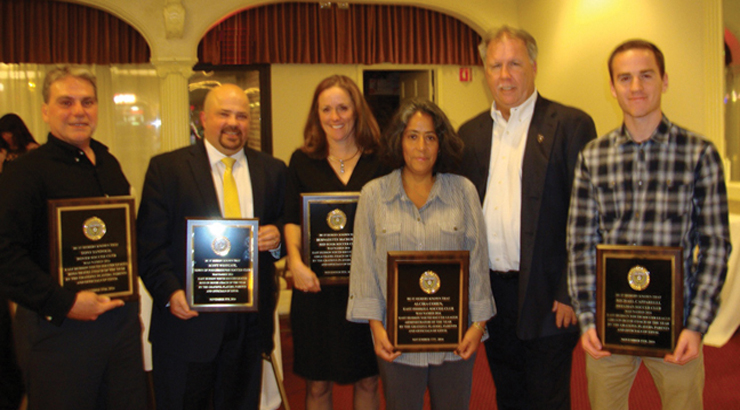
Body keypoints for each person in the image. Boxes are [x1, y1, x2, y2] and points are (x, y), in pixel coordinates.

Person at [567, 39, 731, 410]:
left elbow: (717, 244)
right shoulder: (593, 157)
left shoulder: (699, 154)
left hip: (677, 326)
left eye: (646, 76)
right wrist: (587, 318)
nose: (636, 87)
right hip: (610, 324)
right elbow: (580, 243)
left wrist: (697, 324)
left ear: (664, 81)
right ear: (612, 87)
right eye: (625, 78)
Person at [456, 26, 597, 410]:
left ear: (533, 66)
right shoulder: (469, 134)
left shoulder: (570, 125)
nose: (505, 75)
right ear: (484, 72)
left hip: (548, 296)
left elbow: (586, 214)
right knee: (508, 394)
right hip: (493, 297)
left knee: (547, 398)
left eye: (514, 63)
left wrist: (569, 291)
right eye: (495, 65)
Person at [0, 66, 147, 410]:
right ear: (45, 110)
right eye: (66, 102)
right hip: (59, 332)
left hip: (119, 328)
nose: (79, 111)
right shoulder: (25, 172)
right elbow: (5, 255)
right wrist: (65, 302)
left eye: (87, 102)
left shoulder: (108, 162)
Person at [137, 83, 286, 410]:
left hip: (247, 331)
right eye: (224, 114)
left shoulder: (273, 171)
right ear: (203, 119)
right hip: (187, 327)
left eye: (242, 116)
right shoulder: (167, 170)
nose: (234, 123)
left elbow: (288, 232)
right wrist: (171, 293)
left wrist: (277, 240)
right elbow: (149, 247)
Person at [347, 98, 496, 410]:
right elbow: (363, 268)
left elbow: (478, 262)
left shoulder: (463, 191)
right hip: (396, 343)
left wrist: (477, 326)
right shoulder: (373, 195)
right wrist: (377, 330)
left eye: (431, 137)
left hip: (455, 340)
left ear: (441, 144)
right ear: (398, 140)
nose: (422, 147)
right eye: (412, 136)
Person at [284, 75, 386, 409]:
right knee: (316, 386)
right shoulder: (301, 161)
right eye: (326, 109)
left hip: (369, 290)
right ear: (316, 114)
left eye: (343, 107)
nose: (335, 116)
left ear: (357, 110)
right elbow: (291, 218)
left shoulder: (381, 161)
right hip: (317, 293)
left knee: (369, 380)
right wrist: (295, 262)